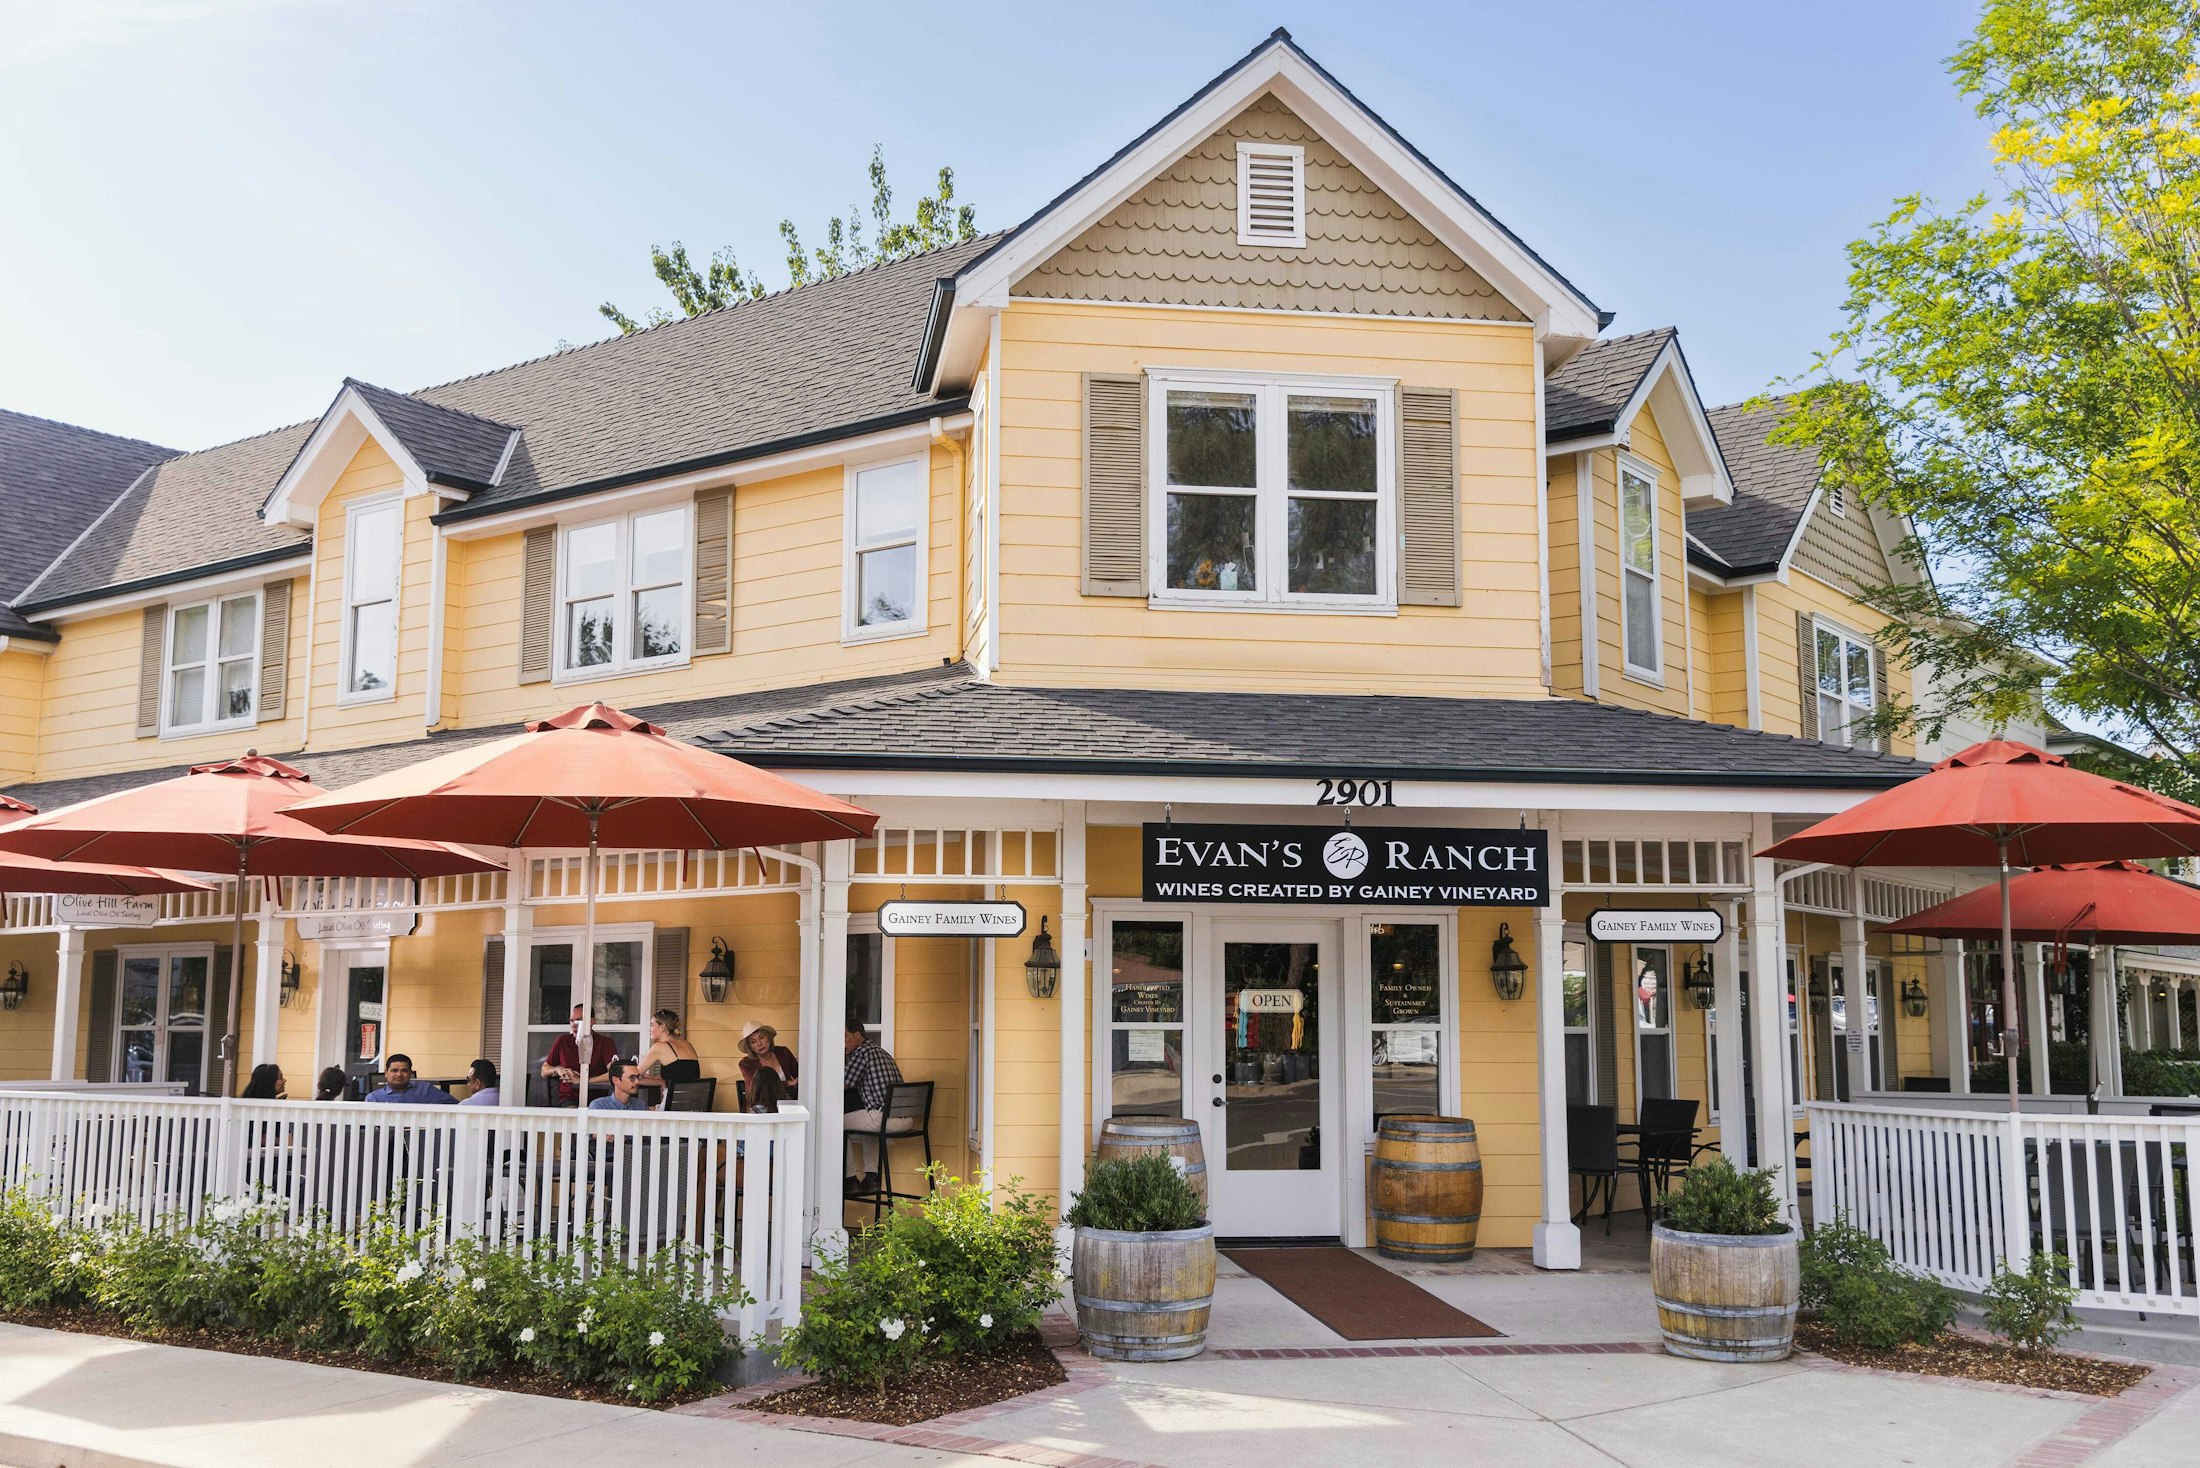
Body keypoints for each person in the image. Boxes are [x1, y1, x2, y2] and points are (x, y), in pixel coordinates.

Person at [842, 1020, 905, 1196]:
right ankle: (872, 1178)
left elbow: (844, 1083)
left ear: (857, 1035)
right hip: (903, 1118)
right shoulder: (878, 1051)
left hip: (884, 1117)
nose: (842, 1043)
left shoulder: (862, 1053)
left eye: (845, 1037)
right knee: (865, 1120)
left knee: (833, 1124)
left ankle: (849, 1179)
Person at [541, 1004, 618, 1106]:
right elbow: (544, 1070)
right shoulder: (563, 1041)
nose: (573, 1024)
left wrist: (584, 1081)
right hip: (569, 1098)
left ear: (591, 1022)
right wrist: (557, 1069)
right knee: (573, 1117)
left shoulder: (605, 1043)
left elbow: (614, 1073)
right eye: (571, 1020)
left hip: (598, 1099)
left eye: (578, 1021)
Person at [633, 1009, 701, 1107]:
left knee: (638, 1109)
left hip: (673, 1105)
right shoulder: (687, 1044)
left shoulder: (659, 1047)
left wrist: (660, 1082)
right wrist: (660, 1081)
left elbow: (634, 1076)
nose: (649, 1029)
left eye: (652, 1025)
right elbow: (679, 1073)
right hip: (693, 1104)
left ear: (662, 1027)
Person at [737, 1022, 798, 1102]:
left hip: (788, 1103)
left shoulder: (783, 1052)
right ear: (750, 1047)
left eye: (761, 1037)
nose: (759, 1044)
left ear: (768, 1038)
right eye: (753, 1042)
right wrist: (788, 1083)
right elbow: (757, 1089)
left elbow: (799, 1075)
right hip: (762, 1105)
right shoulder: (746, 1063)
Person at [364, 1054, 457, 1104]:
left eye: (404, 1070)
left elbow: (453, 1104)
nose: (399, 1074)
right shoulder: (374, 1099)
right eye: (394, 1070)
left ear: (410, 1073)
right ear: (386, 1073)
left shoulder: (425, 1090)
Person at [588, 1058, 655, 1111]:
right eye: (632, 1078)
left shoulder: (641, 1106)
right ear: (616, 1080)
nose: (637, 1081)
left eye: (638, 1077)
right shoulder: (599, 1106)